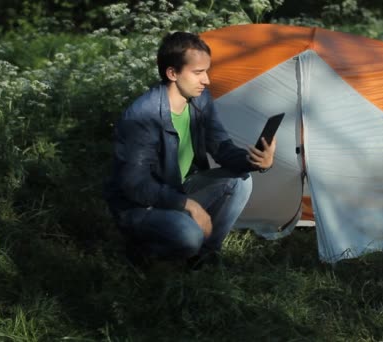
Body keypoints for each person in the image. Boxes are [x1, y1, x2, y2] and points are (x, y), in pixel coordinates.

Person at [104, 32, 276, 267]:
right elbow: (135, 186)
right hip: (139, 206)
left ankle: (201, 259)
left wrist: (255, 161)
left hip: (177, 189)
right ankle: (140, 253)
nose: (206, 80)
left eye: (206, 71)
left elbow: (222, 148)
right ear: (172, 73)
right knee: (188, 235)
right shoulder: (142, 117)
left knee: (241, 181)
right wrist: (190, 206)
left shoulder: (200, 100)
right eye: (198, 73)